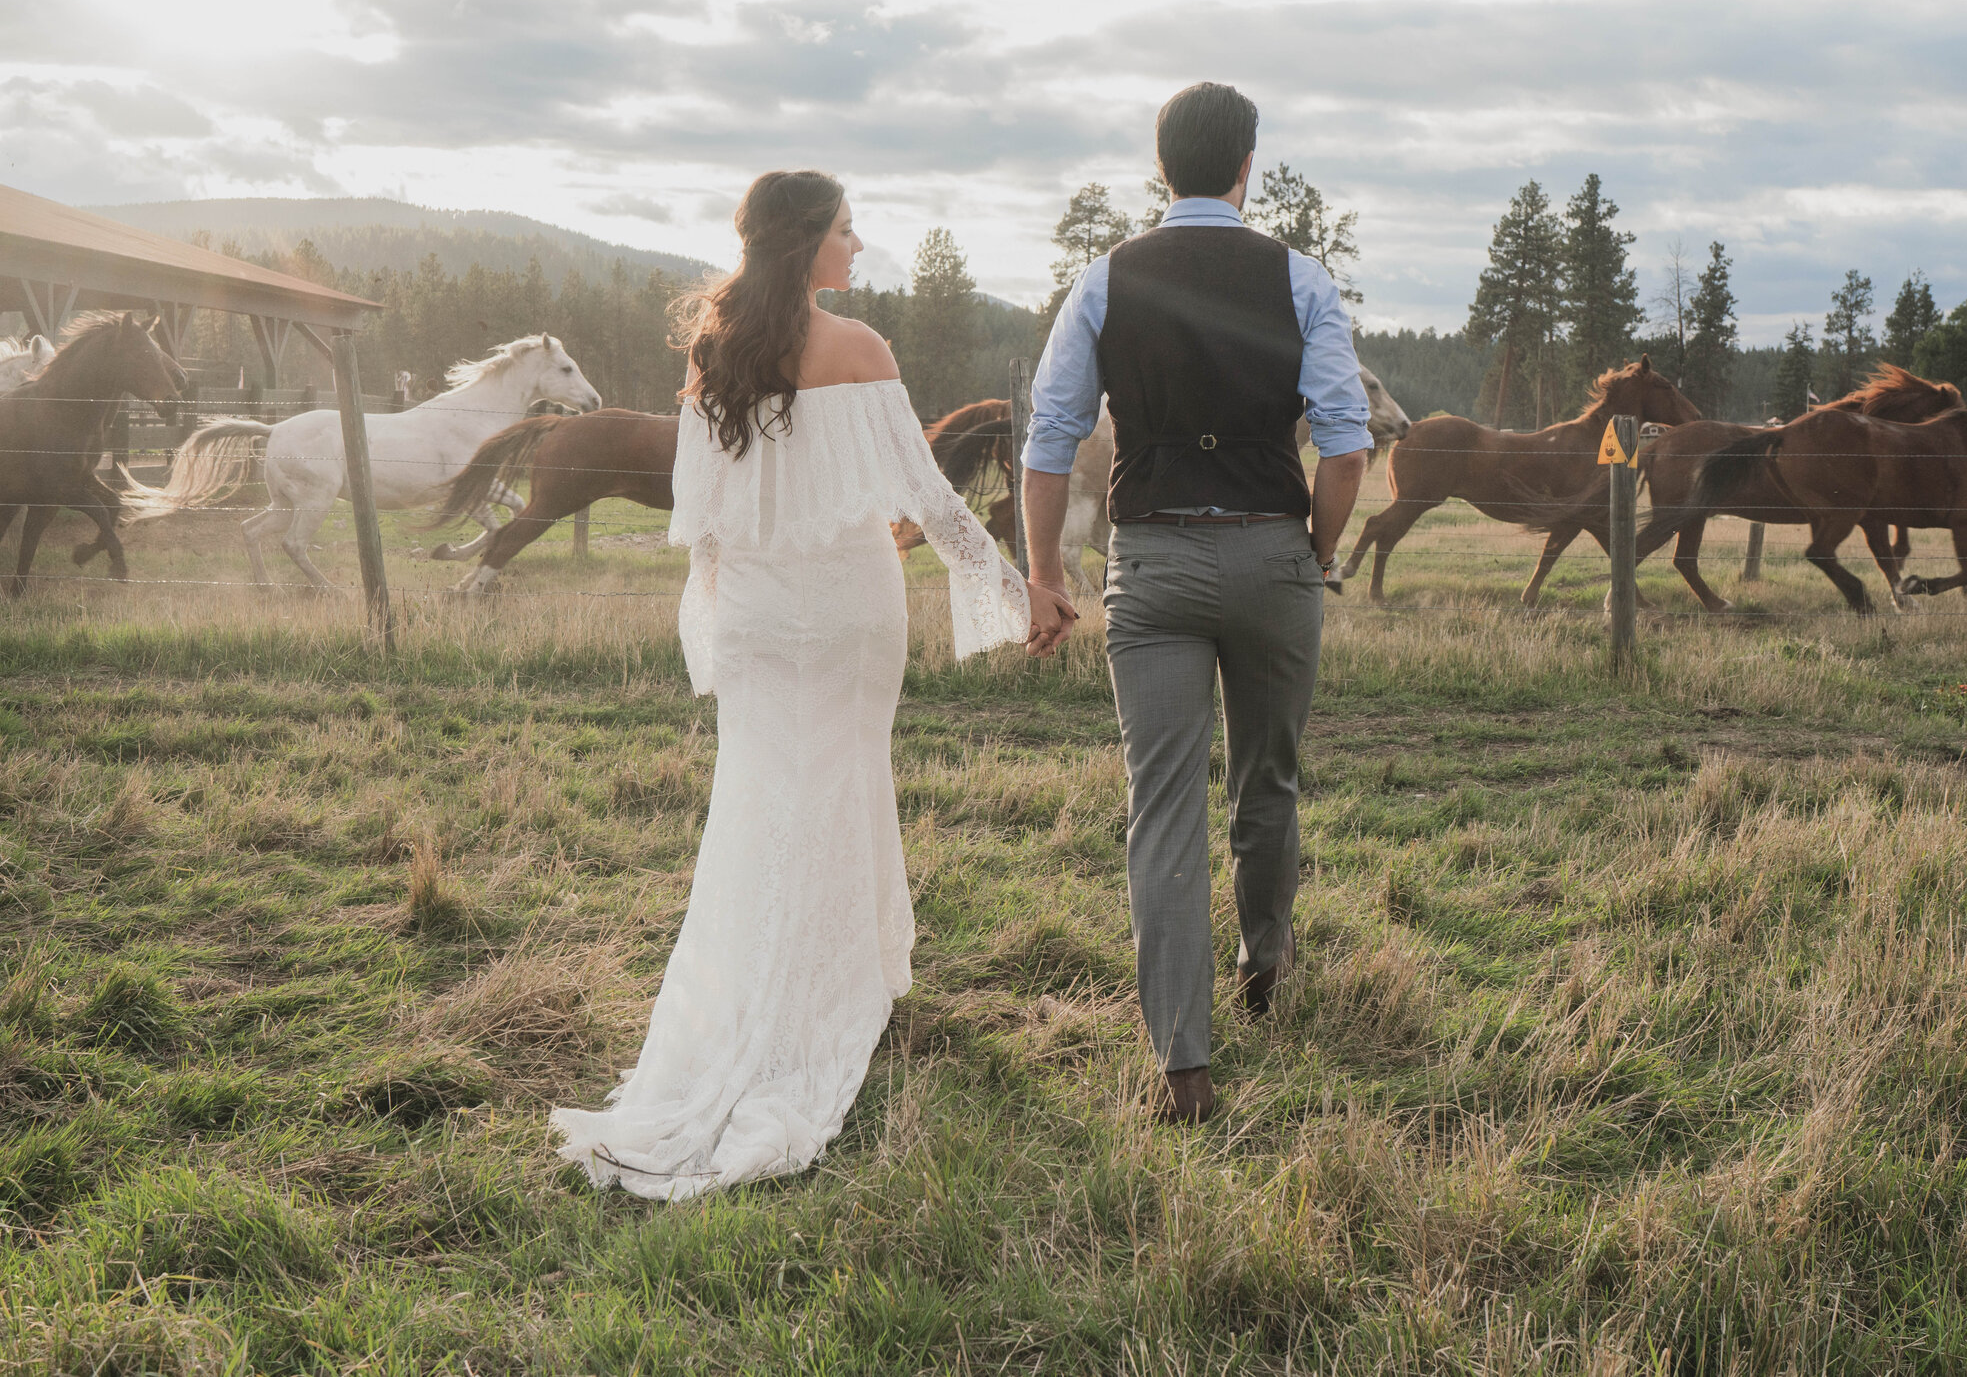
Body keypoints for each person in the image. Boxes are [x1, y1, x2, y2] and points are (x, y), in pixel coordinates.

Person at [550, 170, 1079, 1199]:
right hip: (843, 606)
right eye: (847, 230)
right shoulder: (860, 349)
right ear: (807, 243)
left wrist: (723, 617)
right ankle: (825, 1002)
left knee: (758, 803)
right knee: (839, 787)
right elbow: (926, 496)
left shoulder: (712, 356)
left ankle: (808, 987)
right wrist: (1022, 596)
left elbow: (699, 523)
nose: (860, 245)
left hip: (754, 609)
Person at [1019, 83, 1369, 1123]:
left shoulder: (1104, 279)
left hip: (1155, 561)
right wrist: (1311, 549)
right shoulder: (1301, 277)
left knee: (1161, 807)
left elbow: (1048, 439)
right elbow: (1347, 444)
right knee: (1270, 778)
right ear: (1246, 166)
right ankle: (1266, 962)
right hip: (1271, 557)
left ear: (1160, 166)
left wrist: (1044, 575)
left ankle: (1184, 1065)